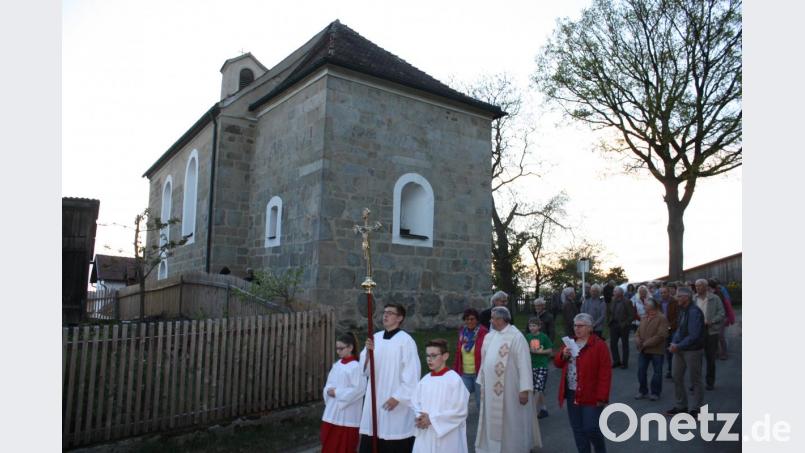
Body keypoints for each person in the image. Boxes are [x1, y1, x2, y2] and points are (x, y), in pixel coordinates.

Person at [475, 307, 541, 453]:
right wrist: (482, 380)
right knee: (492, 419)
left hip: (511, 389)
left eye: (494, 318)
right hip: (491, 389)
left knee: (510, 422)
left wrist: (524, 390)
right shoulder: (490, 336)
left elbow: (524, 364)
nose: (491, 321)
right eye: (491, 318)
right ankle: (491, 448)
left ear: (502, 319)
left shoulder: (516, 337)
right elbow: (484, 360)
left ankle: (512, 448)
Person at [358, 303, 421, 453]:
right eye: (384, 312)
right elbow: (365, 371)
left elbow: (412, 375)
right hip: (374, 398)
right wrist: (367, 353)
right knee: (372, 436)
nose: (385, 315)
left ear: (400, 318)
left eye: (390, 313)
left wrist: (397, 397)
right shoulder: (375, 338)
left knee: (392, 440)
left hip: (394, 402)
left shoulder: (406, 341)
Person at [554, 313, 612, 453]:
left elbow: (605, 373)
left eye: (581, 325)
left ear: (590, 328)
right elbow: (557, 363)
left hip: (591, 394)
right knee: (578, 430)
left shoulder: (599, 345)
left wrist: (602, 397)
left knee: (590, 427)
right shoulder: (570, 343)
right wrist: (563, 355)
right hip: (572, 393)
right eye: (575, 325)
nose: (577, 328)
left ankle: (600, 450)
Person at [412, 339, 470, 453]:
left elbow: (460, 411)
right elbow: (415, 402)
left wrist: (432, 419)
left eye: (434, 355)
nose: (429, 359)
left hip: (447, 435)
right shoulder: (424, 380)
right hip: (426, 432)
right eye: (427, 355)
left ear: (445, 356)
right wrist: (421, 417)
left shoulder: (454, 380)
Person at [321, 332, 367, 453]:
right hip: (331, 412)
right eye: (337, 348)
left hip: (348, 415)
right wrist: (328, 391)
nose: (338, 352)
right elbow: (329, 384)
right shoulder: (337, 365)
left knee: (344, 447)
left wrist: (337, 393)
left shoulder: (356, 367)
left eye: (341, 348)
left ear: (351, 347)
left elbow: (359, 389)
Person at [666, 287, 705, 416]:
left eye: (678, 296)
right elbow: (680, 329)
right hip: (680, 349)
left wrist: (678, 345)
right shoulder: (682, 310)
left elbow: (693, 335)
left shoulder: (694, 312)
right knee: (677, 377)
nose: (676, 298)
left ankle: (697, 409)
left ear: (686, 297)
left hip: (692, 350)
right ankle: (681, 406)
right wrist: (675, 342)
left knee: (695, 380)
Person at [453, 308, 488, 410]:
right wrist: (455, 371)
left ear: (477, 320)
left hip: (479, 374)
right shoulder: (462, 332)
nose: (469, 321)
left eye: (472, 319)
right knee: (461, 400)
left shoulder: (483, 332)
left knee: (480, 402)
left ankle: (483, 425)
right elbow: (458, 353)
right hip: (465, 374)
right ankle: (459, 422)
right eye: (467, 319)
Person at [634, 300, 669, 401]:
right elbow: (638, 331)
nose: (644, 307)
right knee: (641, 370)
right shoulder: (644, 317)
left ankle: (655, 392)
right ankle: (642, 391)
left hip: (656, 350)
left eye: (646, 305)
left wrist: (645, 343)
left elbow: (661, 335)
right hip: (643, 350)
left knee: (657, 372)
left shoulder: (661, 318)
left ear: (652, 307)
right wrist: (637, 339)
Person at [694, 279, 725, 391]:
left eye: (700, 286)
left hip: (710, 331)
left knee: (710, 358)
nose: (697, 288)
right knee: (696, 359)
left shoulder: (714, 298)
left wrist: (711, 321)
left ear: (706, 287)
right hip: (697, 331)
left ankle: (710, 382)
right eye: (696, 286)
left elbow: (721, 313)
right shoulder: (694, 299)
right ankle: (695, 383)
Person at [525, 317, 553, 419]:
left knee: (538, 388)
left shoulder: (543, 337)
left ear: (539, 327)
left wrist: (540, 352)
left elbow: (550, 350)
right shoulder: (527, 337)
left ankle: (531, 411)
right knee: (536, 388)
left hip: (542, 366)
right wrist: (529, 349)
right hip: (532, 365)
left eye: (534, 326)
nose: (532, 328)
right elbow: (524, 348)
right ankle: (544, 409)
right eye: (530, 326)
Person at [607, 286, 634, 369]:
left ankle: (624, 363)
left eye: (615, 291)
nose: (613, 293)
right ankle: (616, 361)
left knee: (624, 344)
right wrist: (609, 321)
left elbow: (631, 315)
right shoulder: (613, 301)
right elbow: (609, 312)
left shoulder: (627, 302)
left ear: (620, 293)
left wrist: (625, 324)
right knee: (613, 344)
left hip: (623, 326)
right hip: (614, 325)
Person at [709, 278, 736, 360]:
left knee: (721, 336)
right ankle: (717, 352)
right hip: (713, 318)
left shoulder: (720, 293)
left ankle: (724, 353)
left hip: (722, 318)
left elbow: (727, 306)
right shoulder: (708, 295)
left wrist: (730, 318)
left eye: (710, 288)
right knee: (715, 336)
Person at [657, 285, 679, 379]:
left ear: (668, 292)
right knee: (668, 352)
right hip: (664, 329)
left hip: (673, 329)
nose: (663, 294)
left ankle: (675, 371)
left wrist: (669, 326)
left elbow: (677, 317)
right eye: (661, 293)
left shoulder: (675, 302)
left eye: (664, 292)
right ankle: (670, 370)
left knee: (673, 350)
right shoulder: (659, 303)